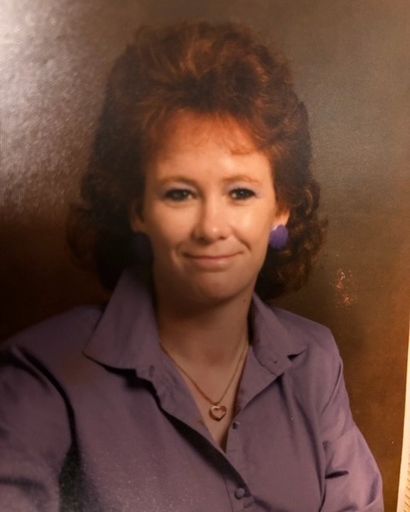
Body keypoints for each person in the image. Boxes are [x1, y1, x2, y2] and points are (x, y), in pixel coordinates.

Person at [0, 20, 383, 511]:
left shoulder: (315, 359)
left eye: (240, 193)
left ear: (282, 207)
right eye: (180, 194)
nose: (211, 227)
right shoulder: (41, 373)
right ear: (138, 209)